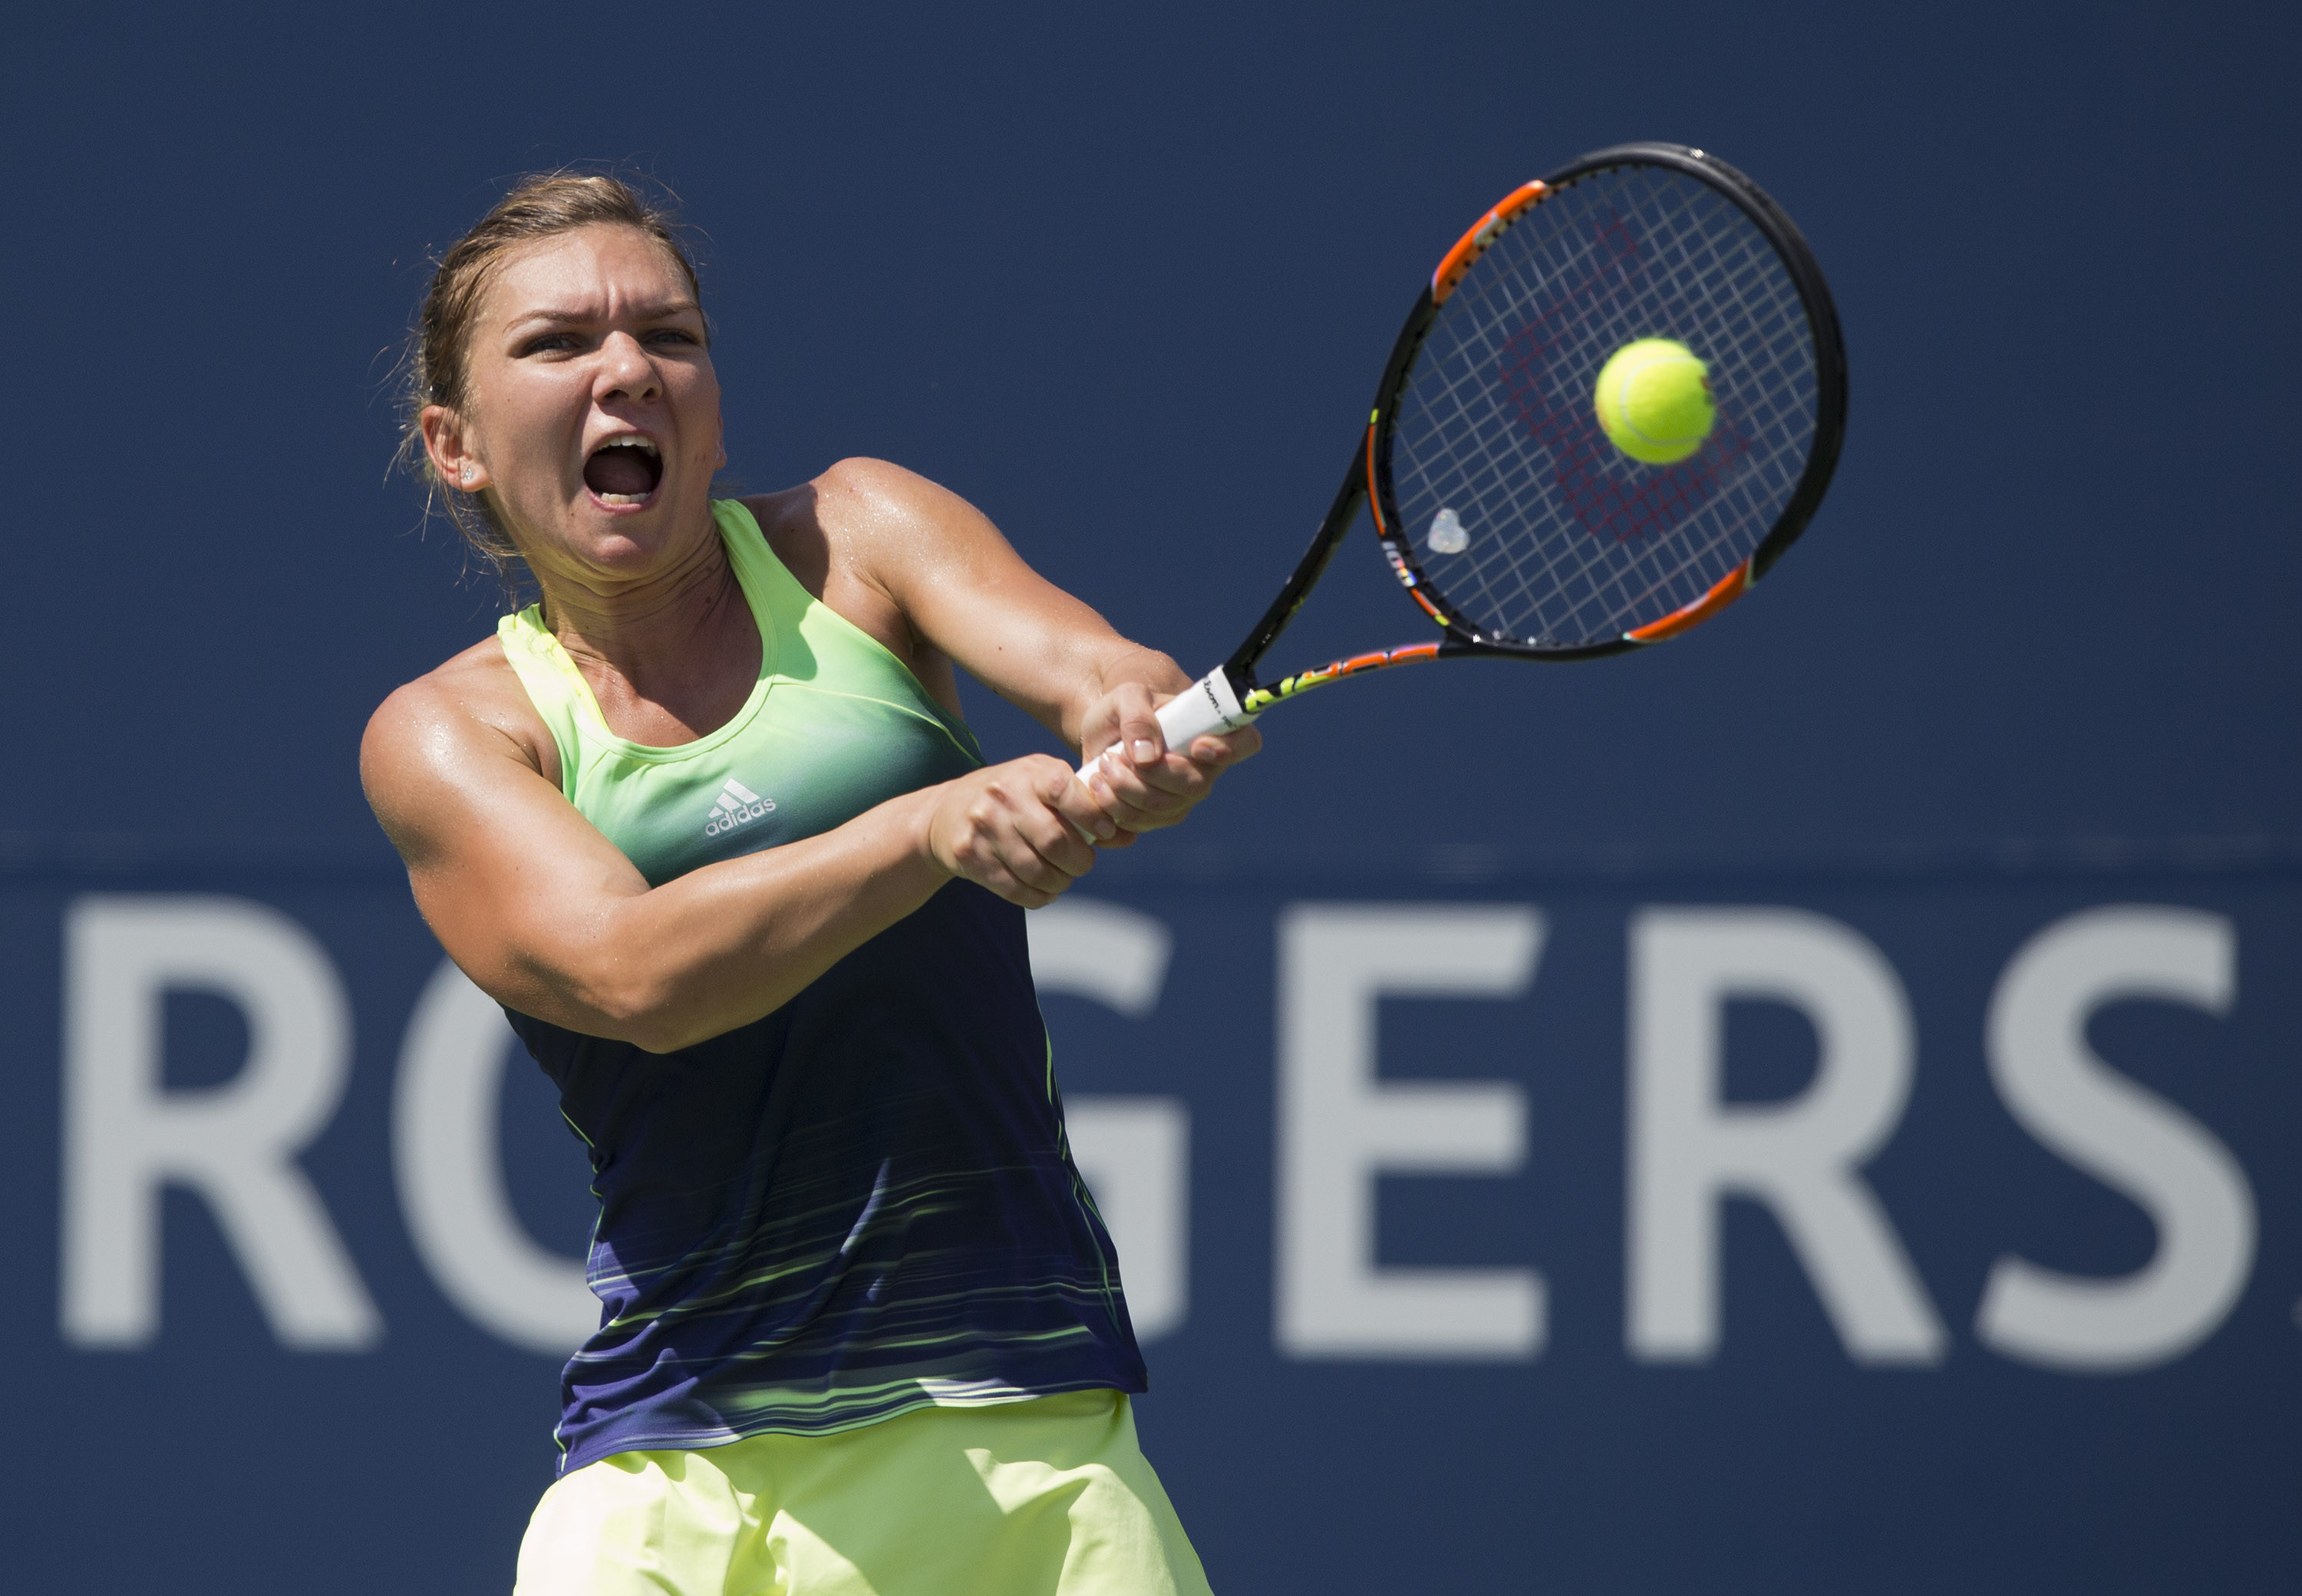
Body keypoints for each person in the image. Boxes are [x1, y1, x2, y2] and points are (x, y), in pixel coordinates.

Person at [361, 172, 1257, 1596]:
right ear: (454, 445)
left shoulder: (864, 534)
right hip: (677, 1487)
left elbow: (1099, 670)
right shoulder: (453, 735)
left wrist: (1132, 722)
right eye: (557, 345)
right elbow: (637, 975)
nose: (626, 372)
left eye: (670, 334)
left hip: (1024, 1453)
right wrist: (922, 830)